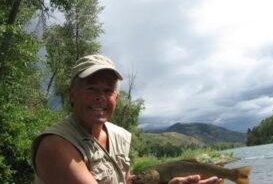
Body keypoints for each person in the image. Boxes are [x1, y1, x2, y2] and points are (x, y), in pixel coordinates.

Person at [31, 54, 222, 184]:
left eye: (108, 90)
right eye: (91, 88)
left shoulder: (118, 135)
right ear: (72, 94)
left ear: (116, 98)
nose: (101, 97)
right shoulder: (56, 146)